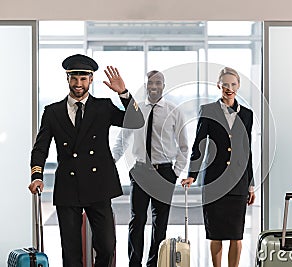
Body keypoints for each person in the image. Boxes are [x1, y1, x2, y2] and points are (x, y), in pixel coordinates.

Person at [28, 54, 144, 267]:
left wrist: (123, 93)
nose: (78, 84)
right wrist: (37, 176)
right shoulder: (52, 112)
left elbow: (136, 122)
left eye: (83, 79)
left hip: (99, 185)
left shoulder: (103, 107)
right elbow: (40, 148)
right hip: (68, 186)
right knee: (71, 252)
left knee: (107, 246)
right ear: (68, 79)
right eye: (74, 78)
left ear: (91, 80)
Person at [110, 70, 189, 267]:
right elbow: (122, 141)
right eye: (150, 83)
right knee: (136, 221)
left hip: (164, 172)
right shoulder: (136, 111)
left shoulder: (174, 111)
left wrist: (175, 173)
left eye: (158, 83)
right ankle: (134, 263)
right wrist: (109, 163)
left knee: (160, 223)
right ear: (145, 85)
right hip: (140, 171)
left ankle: (154, 263)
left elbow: (184, 146)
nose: (153, 86)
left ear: (164, 85)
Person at [181, 67, 256, 267]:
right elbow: (199, 144)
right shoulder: (208, 111)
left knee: (236, 235)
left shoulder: (247, 114)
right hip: (214, 181)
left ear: (238, 86)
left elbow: (246, 149)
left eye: (233, 84)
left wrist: (250, 184)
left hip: (238, 182)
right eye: (225, 84)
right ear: (219, 86)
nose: (229, 88)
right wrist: (192, 174)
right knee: (216, 234)